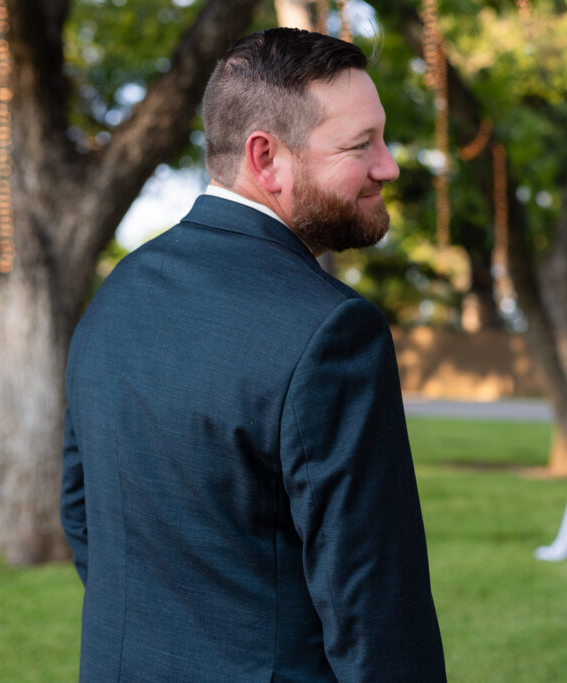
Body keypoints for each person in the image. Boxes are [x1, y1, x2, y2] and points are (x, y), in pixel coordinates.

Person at [60, 28, 446, 681]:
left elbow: (81, 509)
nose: (389, 166)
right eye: (361, 145)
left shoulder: (117, 291)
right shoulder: (333, 330)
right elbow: (376, 609)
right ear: (266, 158)